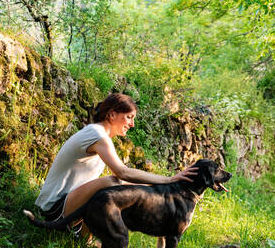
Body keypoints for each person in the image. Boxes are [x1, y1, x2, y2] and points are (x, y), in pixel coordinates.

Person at [34, 93, 197, 235]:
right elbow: (123, 173)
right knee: (113, 183)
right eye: (129, 117)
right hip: (53, 209)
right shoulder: (97, 135)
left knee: (117, 187)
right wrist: (169, 180)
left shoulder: (99, 135)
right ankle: (86, 236)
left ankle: (86, 237)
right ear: (112, 115)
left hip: (67, 205)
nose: (132, 124)